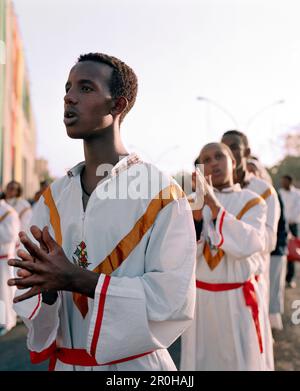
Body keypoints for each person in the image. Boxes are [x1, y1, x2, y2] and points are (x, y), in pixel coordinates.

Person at [7, 53, 196, 371]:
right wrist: (46, 291)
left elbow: (173, 299)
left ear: (117, 105)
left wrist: (78, 279)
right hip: (68, 363)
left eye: (85, 88)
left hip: (134, 367)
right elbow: (37, 294)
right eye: (67, 88)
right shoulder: (53, 196)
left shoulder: (160, 193)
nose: (68, 97)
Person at [181, 142, 267, 371]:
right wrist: (198, 212)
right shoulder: (188, 204)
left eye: (219, 156)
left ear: (234, 162)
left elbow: (249, 244)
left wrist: (212, 202)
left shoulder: (253, 201)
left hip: (238, 300)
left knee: (241, 361)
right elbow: (181, 253)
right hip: (201, 302)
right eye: (206, 160)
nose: (213, 163)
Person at [221, 130, 280, 370]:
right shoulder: (213, 190)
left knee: (249, 350)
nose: (228, 153)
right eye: (224, 148)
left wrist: (234, 236)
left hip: (250, 278)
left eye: (233, 147)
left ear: (245, 152)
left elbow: (268, 240)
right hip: (216, 282)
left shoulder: (263, 191)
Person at [0, 198, 19, 336]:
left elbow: (11, 236)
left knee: (4, 291)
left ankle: (6, 321)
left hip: (4, 258)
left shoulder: (9, 212)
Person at [269, 193, 288, 330]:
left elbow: (281, 226)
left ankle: (274, 319)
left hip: (275, 251)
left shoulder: (272, 194)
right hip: (262, 252)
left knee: (274, 286)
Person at [279, 175, 300, 288]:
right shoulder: (280, 193)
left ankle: (290, 278)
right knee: (282, 252)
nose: (282, 183)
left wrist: (288, 222)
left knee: (292, 252)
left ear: (289, 182)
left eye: (284, 181)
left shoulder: (297, 194)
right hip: (282, 227)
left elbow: (297, 210)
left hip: (292, 225)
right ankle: (281, 278)